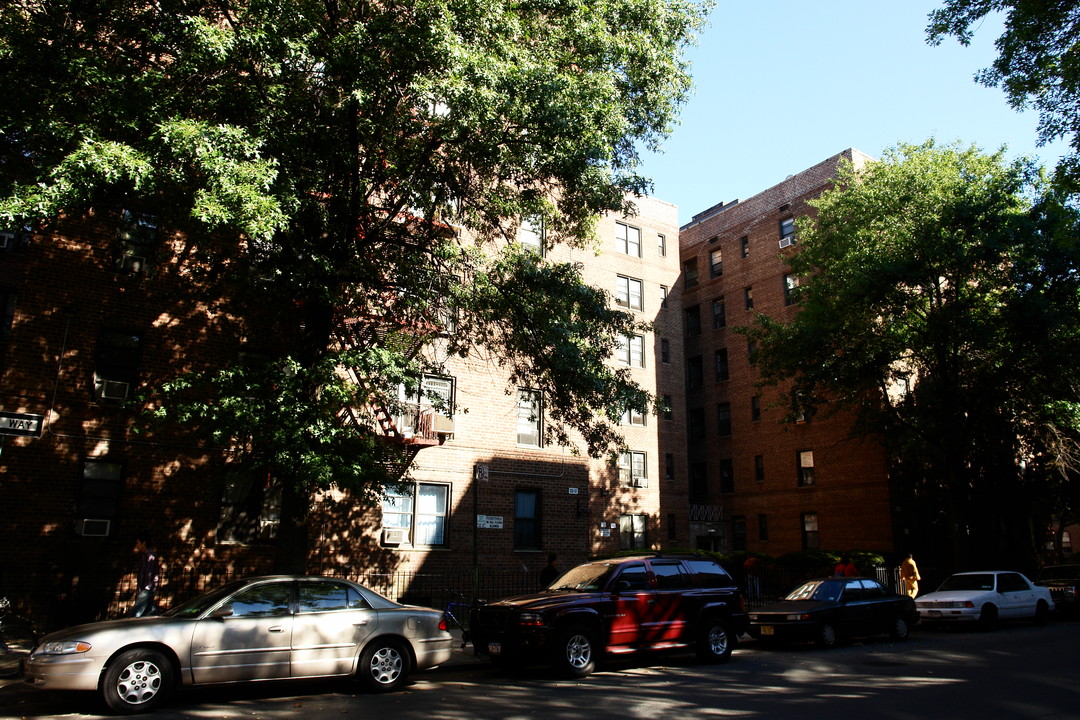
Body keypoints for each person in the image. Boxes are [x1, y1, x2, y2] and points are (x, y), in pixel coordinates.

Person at [128, 533, 160, 617]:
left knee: (134, 613)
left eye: (138, 543)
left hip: (147, 590)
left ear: (144, 543)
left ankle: (127, 626)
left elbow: (150, 574)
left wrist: (147, 588)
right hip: (145, 589)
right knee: (151, 613)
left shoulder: (150, 556)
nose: (137, 545)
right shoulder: (145, 556)